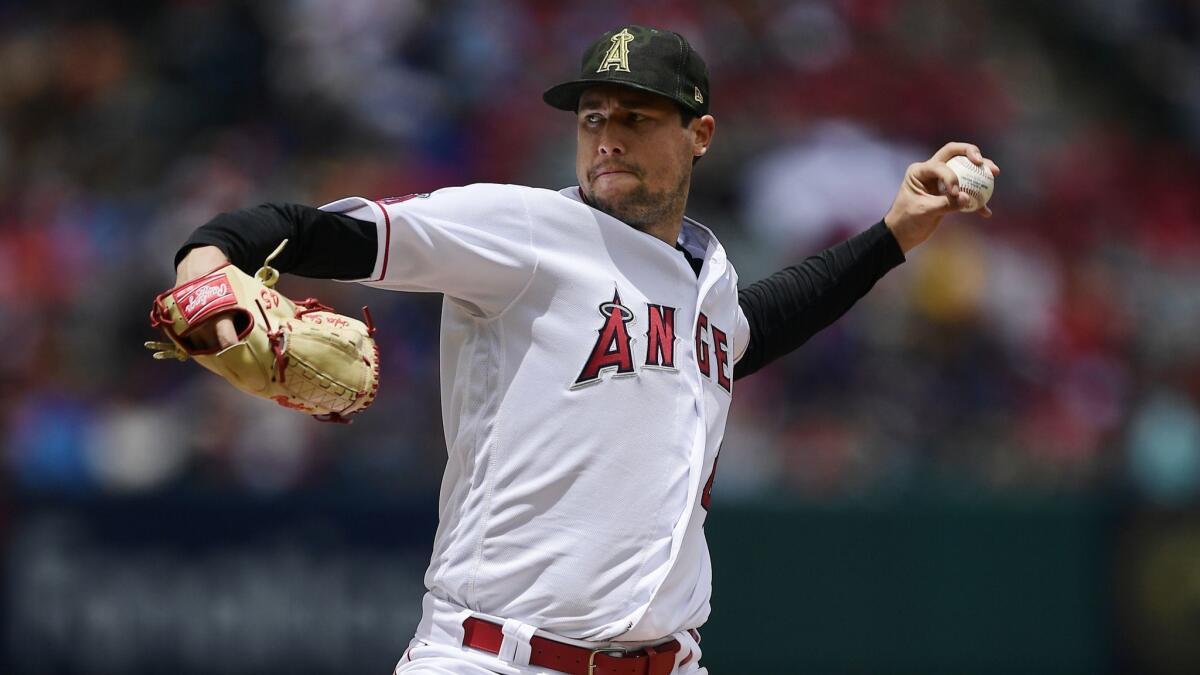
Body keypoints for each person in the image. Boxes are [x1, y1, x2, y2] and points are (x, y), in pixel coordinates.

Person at [171, 24, 998, 675]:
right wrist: (208, 257)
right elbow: (322, 232)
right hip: (492, 656)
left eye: (636, 118)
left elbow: (756, 326)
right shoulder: (525, 230)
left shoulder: (705, 281)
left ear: (700, 132)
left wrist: (895, 233)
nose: (607, 137)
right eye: (593, 117)